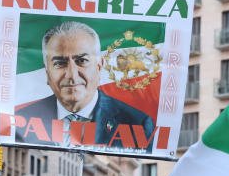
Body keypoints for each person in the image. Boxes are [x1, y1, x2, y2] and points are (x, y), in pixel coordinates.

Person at [14, 21, 154, 149]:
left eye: (82, 61)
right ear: (47, 72)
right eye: (59, 63)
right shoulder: (21, 120)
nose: (71, 74)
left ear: (99, 67)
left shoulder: (137, 124)